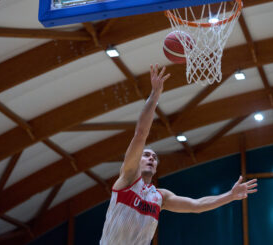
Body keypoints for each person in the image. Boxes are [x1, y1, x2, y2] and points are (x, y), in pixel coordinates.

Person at [100, 64, 258, 245]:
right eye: (146, 155)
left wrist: (230, 195)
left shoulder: (160, 197)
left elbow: (197, 206)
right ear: (136, 160)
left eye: (154, 157)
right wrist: (155, 94)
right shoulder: (128, 178)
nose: (151, 158)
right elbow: (141, 133)